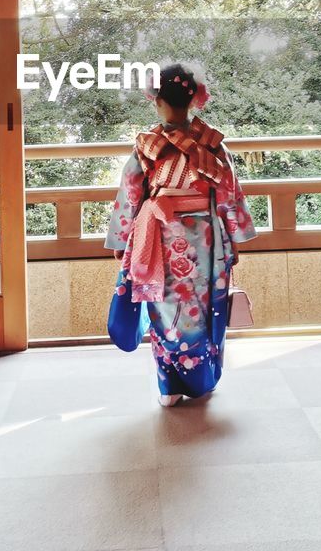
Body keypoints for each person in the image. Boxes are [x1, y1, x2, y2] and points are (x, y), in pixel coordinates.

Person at [104, 62, 257, 407]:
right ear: (194, 100)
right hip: (206, 241)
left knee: (163, 311)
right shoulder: (214, 146)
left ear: (156, 100)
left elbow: (130, 194)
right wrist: (235, 237)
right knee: (204, 312)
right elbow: (229, 194)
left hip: (156, 240)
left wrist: (122, 241)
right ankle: (202, 380)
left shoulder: (146, 147)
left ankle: (168, 386)